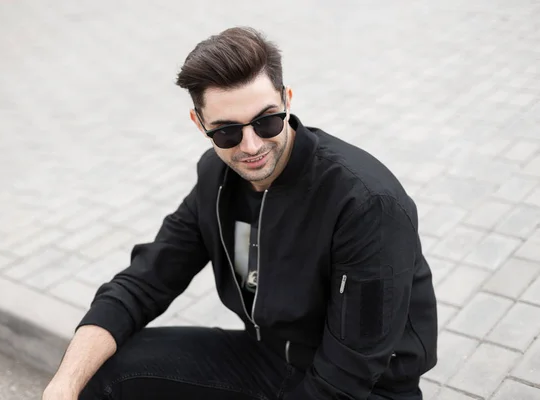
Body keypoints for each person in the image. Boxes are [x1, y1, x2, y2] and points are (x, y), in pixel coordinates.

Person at [42, 26, 438, 400]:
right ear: (200, 124)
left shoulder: (365, 202)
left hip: (367, 388)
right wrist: (63, 385)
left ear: (288, 101)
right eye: (227, 131)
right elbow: (143, 283)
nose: (250, 146)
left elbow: (349, 373)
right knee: (97, 374)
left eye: (266, 121)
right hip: (267, 358)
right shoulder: (216, 177)